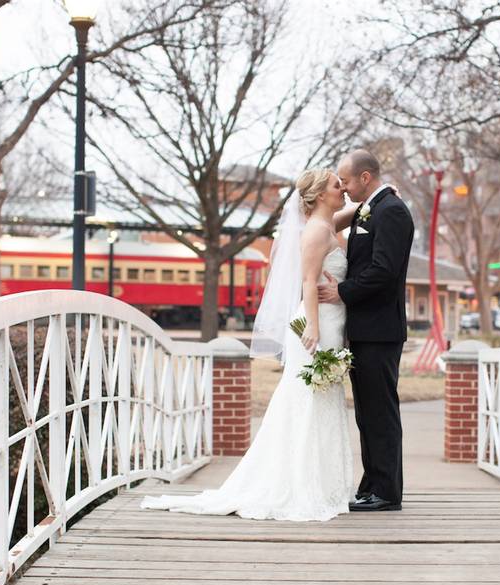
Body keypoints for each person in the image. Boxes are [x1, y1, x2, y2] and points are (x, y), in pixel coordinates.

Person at [140, 168, 355, 521]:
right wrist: (313, 327)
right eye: (336, 185)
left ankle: (322, 483)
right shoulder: (317, 232)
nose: (343, 189)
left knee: (320, 402)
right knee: (307, 403)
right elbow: (307, 281)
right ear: (318, 195)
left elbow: (344, 215)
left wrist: (368, 204)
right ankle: (301, 484)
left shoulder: (324, 224)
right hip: (317, 325)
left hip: (332, 321)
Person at [319, 149, 415, 512]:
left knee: (380, 413)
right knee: (366, 414)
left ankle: (387, 491)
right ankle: (372, 484)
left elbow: (384, 271)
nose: (341, 186)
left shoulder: (390, 211)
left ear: (364, 177)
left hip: (380, 330)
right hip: (364, 329)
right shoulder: (368, 208)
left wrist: (341, 291)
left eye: (345, 180)